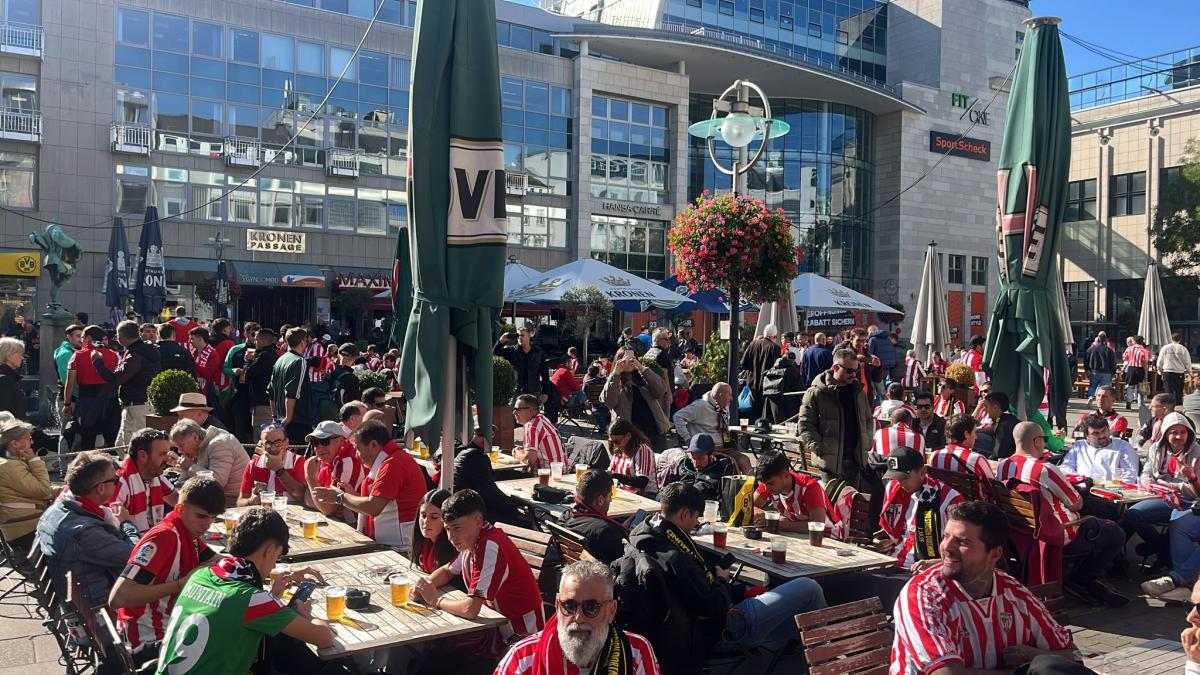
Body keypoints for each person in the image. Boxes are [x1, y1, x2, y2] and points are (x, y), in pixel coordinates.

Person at [616, 482, 826, 673]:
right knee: (809, 588)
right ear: (685, 514)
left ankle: (785, 650)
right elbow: (714, 605)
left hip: (683, 623)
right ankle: (827, 660)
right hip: (721, 628)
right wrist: (723, 580)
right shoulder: (674, 557)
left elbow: (698, 589)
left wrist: (739, 590)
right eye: (696, 518)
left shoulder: (644, 532)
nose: (696, 524)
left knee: (778, 595)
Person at [890, 501, 1089, 675]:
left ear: (994, 555)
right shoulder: (923, 595)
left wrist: (1035, 655)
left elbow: (1071, 656)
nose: (946, 548)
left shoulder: (1013, 593)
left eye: (962, 542)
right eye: (946, 536)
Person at [154, 509, 334, 674]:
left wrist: (272, 596)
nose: (274, 565)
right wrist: (308, 616)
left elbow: (230, 616)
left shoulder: (200, 575)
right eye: (277, 557)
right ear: (270, 550)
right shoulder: (254, 601)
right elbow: (325, 639)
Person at [997, 421, 1128, 606]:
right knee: (1115, 532)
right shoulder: (1044, 469)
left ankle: (1081, 576)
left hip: (1021, 530)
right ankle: (1084, 578)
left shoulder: (1003, 466)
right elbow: (1076, 504)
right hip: (1059, 533)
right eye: (1044, 439)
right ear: (1036, 441)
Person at [413, 489, 544, 655]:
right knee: (436, 651)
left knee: (439, 655)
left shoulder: (490, 546)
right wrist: (425, 585)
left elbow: (470, 609)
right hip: (497, 630)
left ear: (477, 521)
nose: (450, 536)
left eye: (457, 528)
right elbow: (448, 571)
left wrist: (435, 600)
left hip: (520, 639)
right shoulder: (475, 540)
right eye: (447, 529)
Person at [108, 476, 225, 657]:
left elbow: (219, 562)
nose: (207, 524)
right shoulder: (164, 538)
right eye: (201, 516)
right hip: (149, 640)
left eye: (213, 518)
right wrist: (180, 584)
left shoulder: (187, 530)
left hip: (169, 626)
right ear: (179, 509)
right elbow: (118, 597)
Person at [495, 560, 662, 675]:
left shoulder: (636, 652)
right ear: (557, 605)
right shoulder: (523, 657)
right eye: (569, 606)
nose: (578, 618)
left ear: (611, 610)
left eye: (591, 607)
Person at [37, 451, 141, 606]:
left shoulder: (56, 510)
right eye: (115, 480)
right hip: (100, 608)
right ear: (101, 488)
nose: (118, 483)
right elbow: (137, 559)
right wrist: (126, 523)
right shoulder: (84, 531)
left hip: (80, 594)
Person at [312, 420, 425, 549]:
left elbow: (373, 507)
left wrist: (340, 497)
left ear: (373, 445)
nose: (356, 454)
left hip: (400, 547)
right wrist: (352, 496)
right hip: (390, 545)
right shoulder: (391, 459)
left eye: (357, 449)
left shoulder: (394, 463)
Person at [798, 348, 877, 523]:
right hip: (831, 463)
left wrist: (867, 441)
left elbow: (868, 418)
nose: (853, 375)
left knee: (852, 510)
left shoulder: (858, 390)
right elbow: (804, 424)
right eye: (849, 370)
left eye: (856, 370)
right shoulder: (817, 391)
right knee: (831, 512)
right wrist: (819, 447)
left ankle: (849, 544)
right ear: (835, 367)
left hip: (855, 460)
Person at [1137, 413, 1200, 602]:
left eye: (1183, 432)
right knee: (1134, 514)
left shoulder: (1197, 453)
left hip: (1189, 500)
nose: (1179, 436)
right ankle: (1164, 554)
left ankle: (1177, 580)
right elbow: (1148, 470)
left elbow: (1195, 492)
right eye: (1174, 432)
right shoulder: (1157, 449)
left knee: (1179, 525)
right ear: (1165, 434)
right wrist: (1147, 480)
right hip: (1165, 497)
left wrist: (1190, 478)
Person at [876, 446, 965, 570]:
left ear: (923, 472)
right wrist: (886, 540)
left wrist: (934, 563)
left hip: (918, 570)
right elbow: (896, 532)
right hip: (889, 561)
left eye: (904, 478)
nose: (900, 483)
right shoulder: (892, 488)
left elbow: (960, 550)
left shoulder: (949, 499)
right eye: (895, 477)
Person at [94, 320, 162, 446]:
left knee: (136, 447)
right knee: (121, 446)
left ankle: (138, 466)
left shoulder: (136, 354)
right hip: (136, 404)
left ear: (121, 337)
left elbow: (116, 379)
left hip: (138, 406)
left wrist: (98, 363)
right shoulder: (144, 350)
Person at [450, 426, 523, 525]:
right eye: (480, 434)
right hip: (468, 512)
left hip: (459, 505)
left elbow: (488, 480)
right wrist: (516, 504)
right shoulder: (475, 456)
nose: (485, 438)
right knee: (522, 520)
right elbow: (490, 493)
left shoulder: (460, 450)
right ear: (471, 434)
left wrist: (522, 475)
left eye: (490, 434)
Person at [0, 417, 54, 551]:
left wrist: (63, 489)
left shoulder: (12, 463)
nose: (32, 441)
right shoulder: (10, 467)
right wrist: (35, 461)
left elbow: (36, 487)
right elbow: (43, 491)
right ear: (15, 444)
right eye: (29, 438)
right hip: (26, 529)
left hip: (27, 524)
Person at [672, 382, 751, 474]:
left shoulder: (724, 407)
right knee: (732, 465)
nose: (732, 398)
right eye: (730, 395)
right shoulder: (700, 405)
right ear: (721, 395)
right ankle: (735, 486)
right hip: (707, 449)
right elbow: (677, 416)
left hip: (724, 447)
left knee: (744, 460)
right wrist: (687, 438)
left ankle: (751, 487)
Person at [601, 349, 670, 452]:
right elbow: (609, 401)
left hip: (654, 432)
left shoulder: (643, 378)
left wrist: (642, 369)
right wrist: (616, 373)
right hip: (630, 436)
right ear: (618, 361)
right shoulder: (615, 381)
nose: (629, 362)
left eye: (633, 358)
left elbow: (660, 391)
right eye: (626, 359)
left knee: (657, 463)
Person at [63, 325, 120, 449]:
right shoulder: (114, 355)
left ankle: (87, 467)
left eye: (82, 338)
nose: (81, 341)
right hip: (110, 402)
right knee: (112, 441)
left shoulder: (77, 355)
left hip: (87, 402)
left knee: (87, 441)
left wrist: (67, 404)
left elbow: (70, 382)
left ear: (88, 338)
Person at [170, 418, 249, 506]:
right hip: (219, 497)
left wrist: (190, 467)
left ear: (195, 437)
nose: (180, 451)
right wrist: (184, 469)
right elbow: (185, 482)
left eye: (181, 445)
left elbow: (217, 482)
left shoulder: (219, 444)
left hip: (232, 500)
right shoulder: (201, 446)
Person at [113, 428, 179, 534]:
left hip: (151, 539)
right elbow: (111, 525)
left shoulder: (154, 474)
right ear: (143, 455)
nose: (167, 459)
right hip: (132, 545)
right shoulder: (120, 481)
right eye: (162, 454)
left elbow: (177, 500)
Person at [563, 469, 628, 564]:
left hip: (576, 571)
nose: (610, 500)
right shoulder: (606, 532)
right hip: (601, 576)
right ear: (600, 500)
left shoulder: (566, 516)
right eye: (610, 496)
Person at [303, 420, 362, 524]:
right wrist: (319, 501)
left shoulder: (347, 462)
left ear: (341, 440)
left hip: (354, 527)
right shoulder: (329, 460)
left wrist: (310, 477)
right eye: (315, 443)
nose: (320, 448)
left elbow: (327, 509)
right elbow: (308, 498)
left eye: (325, 441)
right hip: (340, 524)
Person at [752, 451, 829, 529]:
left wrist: (774, 522)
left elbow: (818, 525)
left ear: (785, 475)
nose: (766, 488)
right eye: (764, 484)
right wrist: (770, 517)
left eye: (770, 483)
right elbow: (750, 507)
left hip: (828, 538)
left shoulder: (809, 487)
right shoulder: (769, 482)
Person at [237, 423, 308, 505]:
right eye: (268, 444)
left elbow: (302, 496)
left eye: (278, 443)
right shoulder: (253, 465)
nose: (273, 448)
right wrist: (250, 501)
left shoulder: (298, 461)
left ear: (286, 443)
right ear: (262, 445)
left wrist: (279, 470)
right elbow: (240, 502)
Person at [269, 327, 315, 445]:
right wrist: (288, 418)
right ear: (302, 342)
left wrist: (275, 418)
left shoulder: (280, 359)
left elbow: (271, 390)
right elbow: (292, 392)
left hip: (281, 419)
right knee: (298, 458)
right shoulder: (300, 361)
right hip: (297, 420)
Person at [1061, 414, 1139, 483]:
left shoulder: (1123, 447)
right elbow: (1066, 467)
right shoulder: (1079, 446)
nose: (1101, 436)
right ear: (1087, 436)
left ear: (1108, 430)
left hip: (1110, 492)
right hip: (1082, 488)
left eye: (1104, 431)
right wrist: (1080, 480)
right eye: (1096, 433)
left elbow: (1130, 476)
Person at [928, 413, 995, 491]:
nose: (976, 437)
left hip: (944, 501)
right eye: (974, 432)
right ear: (966, 434)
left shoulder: (934, 456)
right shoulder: (977, 459)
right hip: (973, 502)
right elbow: (993, 488)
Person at [658, 434, 734, 502]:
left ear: (712, 455)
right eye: (694, 458)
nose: (696, 463)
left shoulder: (720, 469)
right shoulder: (684, 465)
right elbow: (666, 490)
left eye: (700, 458)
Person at [495, 327, 553, 406]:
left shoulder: (538, 352)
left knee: (532, 416)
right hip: (517, 391)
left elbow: (545, 373)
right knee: (514, 414)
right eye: (518, 335)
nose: (519, 337)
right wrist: (501, 341)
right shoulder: (512, 351)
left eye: (522, 335)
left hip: (533, 391)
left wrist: (545, 392)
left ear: (529, 337)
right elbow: (495, 353)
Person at [224, 321, 260, 441]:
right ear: (245, 333)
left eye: (257, 334)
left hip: (258, 393)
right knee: (239, 422)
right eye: (252, 334)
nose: (255, 337)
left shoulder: (263, 351)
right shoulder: (235, 350)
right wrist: (234, 371)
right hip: (240, 391)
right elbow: (225, 368)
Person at [512, 393, 566, 471]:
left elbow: (529, 460)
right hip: (560, 471)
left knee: (502, 475)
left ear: (531, 410)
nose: (514, 412)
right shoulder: (541, 418)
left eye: (518, 410)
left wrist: (517, 453)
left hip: (548, 475)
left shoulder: (532, 426)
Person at [605, 419, 659, 496]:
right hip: (625, 492)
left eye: (617, 441)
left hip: (645, 495)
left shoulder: (642, 449)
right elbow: (611, 472)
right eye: (611, 441)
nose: (615, 445)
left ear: (628, 436)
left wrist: (614, 475)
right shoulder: (618, 449)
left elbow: (642, 481)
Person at [739, 323, 781, 423]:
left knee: (751, 412)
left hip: (751, 383)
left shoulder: (753, 344)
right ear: (774, 336)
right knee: (764, 415)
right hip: (766, 385)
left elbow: (743, 363)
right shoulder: (774, 348)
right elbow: (776, 369)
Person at [409, 488, 457, 574]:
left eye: (434, 517)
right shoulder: (421, 542)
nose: (426, 522)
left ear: (446, 520)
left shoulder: (455, 548)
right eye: (423, 516)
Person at [243, 327, 278, 432]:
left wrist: (248, 361)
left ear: (263, 340)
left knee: (262, 435)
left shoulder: (265, 356)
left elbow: (248, 372)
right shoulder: (273, 354)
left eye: (257, 339)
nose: (255, 342)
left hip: (263, 403)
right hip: (269, 402)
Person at [976, 391, 1020, 460]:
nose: (985, 410)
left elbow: (998, 454)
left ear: (995, 407)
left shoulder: (1004, 425)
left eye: (986, 407)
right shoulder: (1006, 419)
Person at [760, 355, 804, 425]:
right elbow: (801, 387)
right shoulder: (793, 371)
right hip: (789, 404)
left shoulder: (771, 370)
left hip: (770, 403)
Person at [1159, 332, 1192, 408]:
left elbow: (1160, 361)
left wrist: (1160, 370)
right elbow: (1187, 362)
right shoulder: (1183, 349)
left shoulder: (1165, 348)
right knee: (1179, 392)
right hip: (1179, 372)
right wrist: (1189, 371)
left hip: (1167, 371)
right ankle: (1178, 408)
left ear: (1171, 339)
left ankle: (1168, 408)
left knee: (1168, 391)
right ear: (1180, 339)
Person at [1122, 335, 1150, 410]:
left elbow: (1124, 358)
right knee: (1141, 387)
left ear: (1134, 341)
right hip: (1140, 369)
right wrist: (1146, 373)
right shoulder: (1144, 350)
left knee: (1130, 386)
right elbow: (1145, 363)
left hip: (1131, 368)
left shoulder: (1129, 349)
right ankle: (1141, 404)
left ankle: (1129, 401)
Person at [0, 337, 24, 420]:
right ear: (9, 355)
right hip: (10, 431)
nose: (22, 358)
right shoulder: (4, 380)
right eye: (20, 354)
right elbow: (3, 415)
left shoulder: (9, 378)